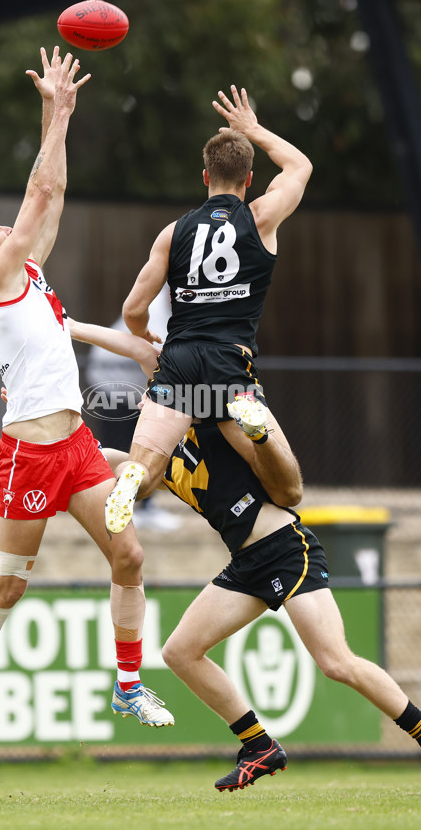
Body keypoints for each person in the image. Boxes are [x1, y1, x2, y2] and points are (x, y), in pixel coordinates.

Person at [69, 320, 421, 797]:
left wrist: (70, 326)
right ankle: (257, 745)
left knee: (336, 662)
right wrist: (53, 428)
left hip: (283, 548)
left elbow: (140, 347)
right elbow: (90, 457)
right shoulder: (149, 462)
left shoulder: (206, 417)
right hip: (246, 562)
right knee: (179, 652)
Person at [0, 47, 173, 770]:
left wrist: (53, 112)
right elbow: (40, 195)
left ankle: (129, 682)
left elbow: (54, 198)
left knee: (129, 551)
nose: (8, 227)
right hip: (31, 453)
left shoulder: (27, 273)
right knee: (10, 580)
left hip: (73, 445)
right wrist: (61, 113)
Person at [105, 84, 313, 535]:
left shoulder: (173, 233)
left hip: (179, 364)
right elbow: (300, 166)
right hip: (228, 367)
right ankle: (256, 429)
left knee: (145, 473)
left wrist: (143, 336)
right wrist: (253, 129)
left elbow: (133, 307)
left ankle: (132, 478)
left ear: (205, 177)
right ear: (250, 179)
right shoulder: (261, 216)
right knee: (288, 492)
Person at [85, 286, 180, 531]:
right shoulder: (157, 310)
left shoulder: (175, 309)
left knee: (144, 450)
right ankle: (109, 504)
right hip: (113, 382)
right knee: (122, 447)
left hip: (137, 384)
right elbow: (164, 356)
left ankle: (143, 508)